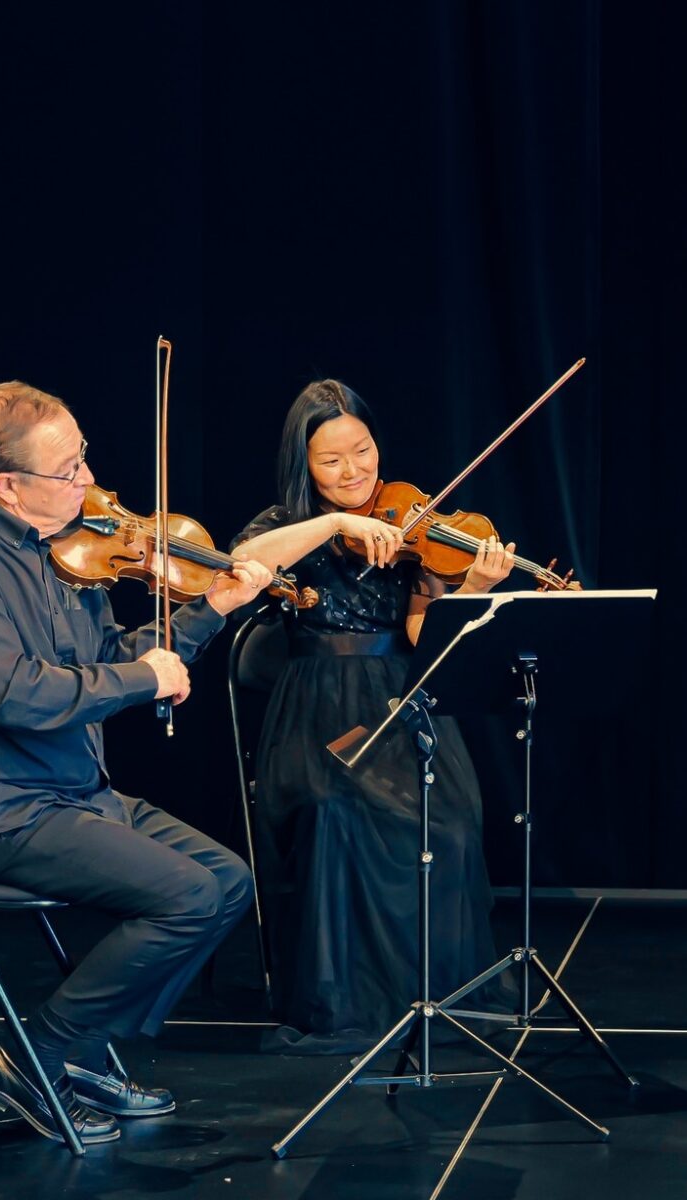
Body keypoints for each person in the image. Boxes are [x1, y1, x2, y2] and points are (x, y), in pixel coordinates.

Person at [0, 381, 272, 1146]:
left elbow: (104, 659)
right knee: (188, 895)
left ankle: (78, 1054)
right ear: (7, 486)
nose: (88, 481)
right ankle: (37, 1058)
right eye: (68, 471)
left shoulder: (57, 552)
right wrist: (142, 678)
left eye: (83, 458)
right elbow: (12, 695)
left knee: (227, 880)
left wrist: (208, 613)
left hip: (69, 791)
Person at [230, 379, 512, 1053]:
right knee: (332, 812)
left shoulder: (409, 525)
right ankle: (340, 1001)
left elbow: (422, 638)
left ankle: (436, 992)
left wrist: (471, 587)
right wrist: (334, 524)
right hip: (315, 704)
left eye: (362, 450)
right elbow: (239, 568)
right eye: (333, 460)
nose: (354, 471)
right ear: (305, 467)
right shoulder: (281, 528)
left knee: (451, 821)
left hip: (399, 698)